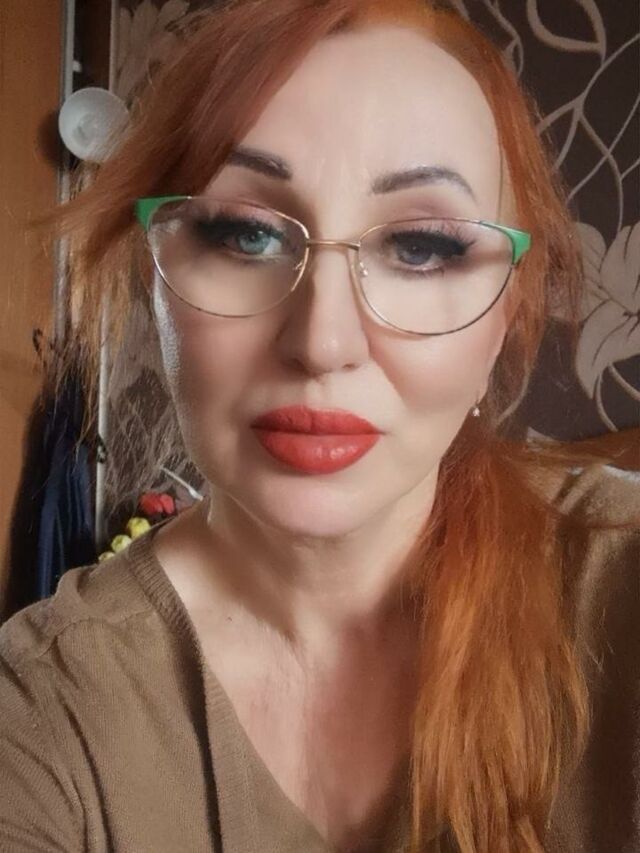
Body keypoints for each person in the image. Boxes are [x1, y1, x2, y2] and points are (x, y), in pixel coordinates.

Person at [1, 1, 638, 851]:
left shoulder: (618, 584)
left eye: (422, 246)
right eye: (245, 233)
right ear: (154, 275)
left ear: (503, 316)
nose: (323, 342)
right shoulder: (46, 706)